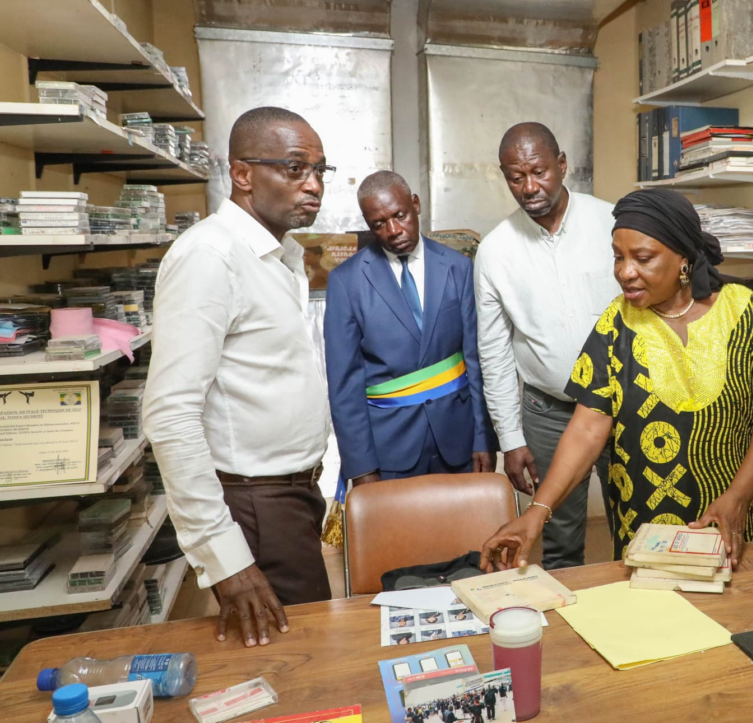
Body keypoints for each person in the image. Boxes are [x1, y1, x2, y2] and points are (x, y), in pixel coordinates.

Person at [480, 188, 753, 569]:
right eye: (618, 257)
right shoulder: (616, 323)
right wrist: (538, 510)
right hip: (647, 532)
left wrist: (738, 496)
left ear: (683, 258)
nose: (624, 271)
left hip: (736, 523)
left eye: (643, 258)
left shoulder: (744, 311)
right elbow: (588, 428)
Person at [143, 106, 334, 647]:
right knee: (298, 656)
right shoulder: (210, 256)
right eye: (295, 169)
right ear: (243, 173)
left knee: (296, 651)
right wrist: (226, 559)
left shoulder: (277, 257)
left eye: (320, 171)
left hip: (290, 497)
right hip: (254, 505)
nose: (314, 186)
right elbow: (171, 414)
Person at [475, 122, 622, 569]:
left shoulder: (612, 222)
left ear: (562, 165)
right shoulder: (496, 251)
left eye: (539, 171)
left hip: (625, 405)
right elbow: (495, 353)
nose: (529, 186)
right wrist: (511, 437)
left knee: (636, 526)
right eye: (515, 177)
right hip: (549, 413)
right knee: (556, 537)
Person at [326, 171, 496, 487]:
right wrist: (361, 467)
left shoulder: (458, 267)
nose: (393, 230)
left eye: (399, 215)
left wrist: (483, 437)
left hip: (458, 441)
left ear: (415, 204)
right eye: (379, 224)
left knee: (465, 534)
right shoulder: (346, 282)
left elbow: (475, 360)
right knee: (398, 538)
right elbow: (344, 384)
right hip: (390, 449)